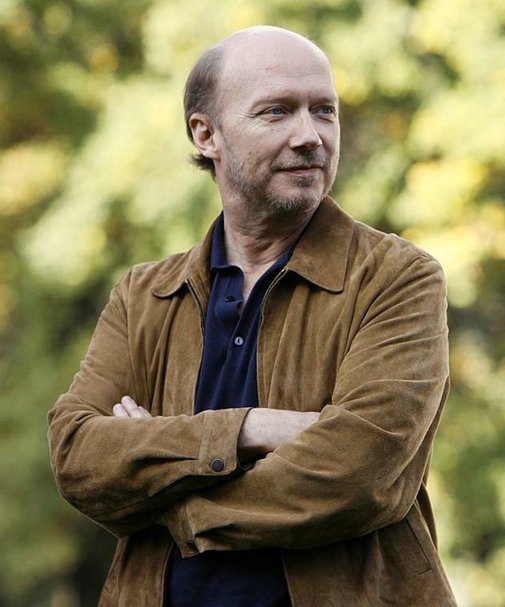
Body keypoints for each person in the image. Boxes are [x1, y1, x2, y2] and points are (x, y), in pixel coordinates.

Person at [47, 25, 456, 607]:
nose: (310, 136)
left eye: (324, 111)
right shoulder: (144, 294)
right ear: (206, 134)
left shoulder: (396, 278)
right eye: (276, 112)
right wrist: (250, 429)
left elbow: (356, 474)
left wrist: (168, 497)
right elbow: (76, 456)